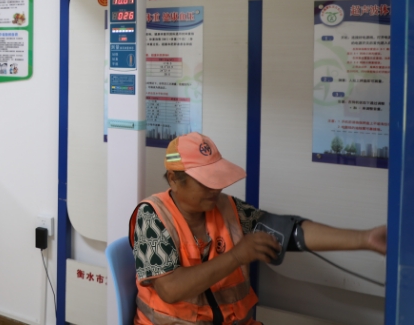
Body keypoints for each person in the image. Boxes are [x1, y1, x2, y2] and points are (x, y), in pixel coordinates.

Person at [129, 132, 386, 325]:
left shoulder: (228, 208)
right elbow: (171, 289)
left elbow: (288, 232)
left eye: (217, 179)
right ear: (174, 180)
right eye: (205, 182)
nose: (215, 188)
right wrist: (237, 256)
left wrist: (365, 239)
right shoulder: (152, 216)